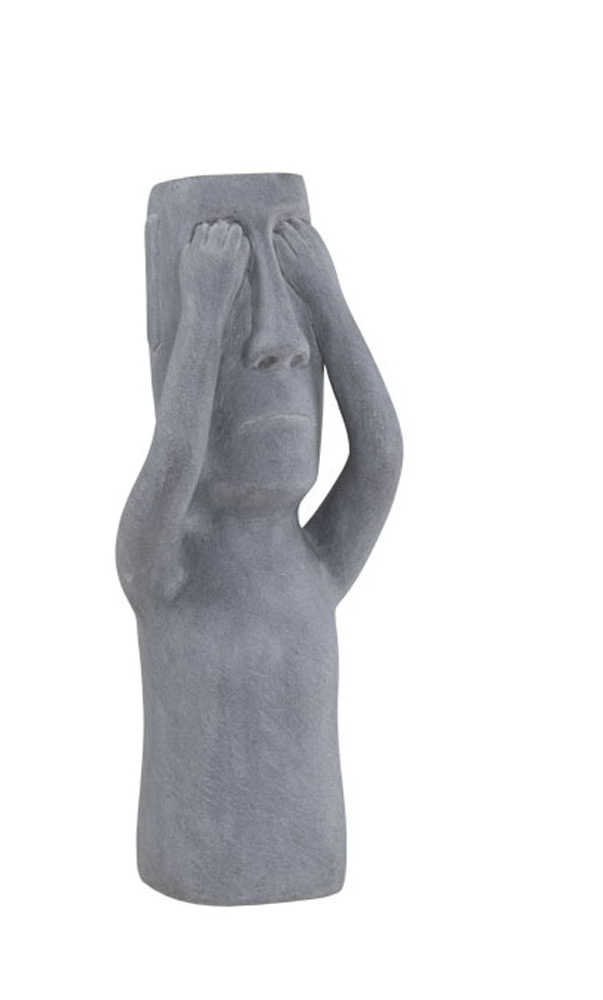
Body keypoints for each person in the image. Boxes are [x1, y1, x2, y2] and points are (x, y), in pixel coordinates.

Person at [117, 174, 402, 904]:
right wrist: (204, 315)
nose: (284, 344)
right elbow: (174, 460)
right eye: (248, 298)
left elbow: (381, 455)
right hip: (193, 868)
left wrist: (328, 302)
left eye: (294, 307)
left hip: (312, 857)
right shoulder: (165, 570)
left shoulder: (314, 562)